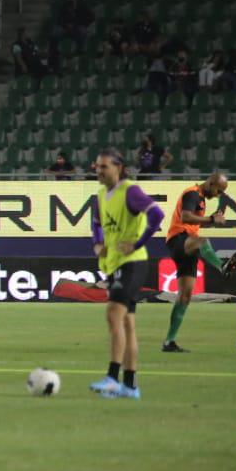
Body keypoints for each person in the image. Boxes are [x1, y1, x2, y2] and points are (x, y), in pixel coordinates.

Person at [87, 148, 164, 400]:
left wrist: (138, 243)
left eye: (104, 166)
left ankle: (112, 377)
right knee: (128, 325)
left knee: (113, 315)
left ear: (118, 167)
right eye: (97, 166)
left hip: (132, 263)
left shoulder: (129, 190)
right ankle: (130, 386)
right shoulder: (100, 195)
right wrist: (97, 244)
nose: (99, 171)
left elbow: (156, 214)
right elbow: (97, 223)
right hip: (114, 264)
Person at [161, 173, 229, 353]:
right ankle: (221, 266)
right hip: (178, 239)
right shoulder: (192, 194)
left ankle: (169, 342)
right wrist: (211, 220)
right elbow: (185, 217)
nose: (218, 194)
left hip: (188, 244)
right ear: (211, 183)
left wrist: (210, 220)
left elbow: (194, 222)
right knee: (202, 241)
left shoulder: (202, 200)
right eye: (218, 190)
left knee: (185, 296)